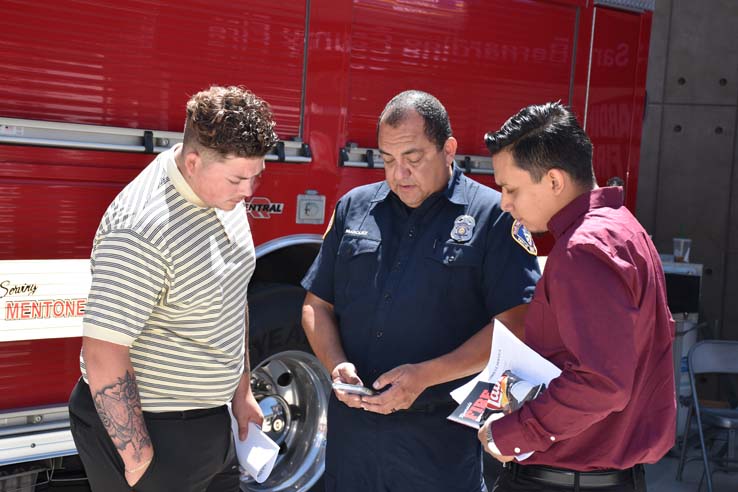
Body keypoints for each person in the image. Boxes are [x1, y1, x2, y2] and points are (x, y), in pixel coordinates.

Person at [301, 90, 541, 492]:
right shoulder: (354, 208)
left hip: (438, 441)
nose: (399, 174)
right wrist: (335, 363)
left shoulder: (494, 217)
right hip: (353, 441)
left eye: (413, 159)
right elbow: (316, 305)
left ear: (448, 149)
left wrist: (425, 377)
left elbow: (518, 321)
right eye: (388, 160)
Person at [68, 85, 279, 491]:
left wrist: (240, 392)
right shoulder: (141, 228)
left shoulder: (220, 196)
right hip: (152, 432)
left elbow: (231, 296)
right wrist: (137, 458)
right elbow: (103, 351)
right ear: (195, 161)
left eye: (256, 176)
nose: (249, 192)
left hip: (212, 423)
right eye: (238, 178)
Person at [479, 102, 675, 492]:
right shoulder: (624, 229)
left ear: (553, 181)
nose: (504, 202)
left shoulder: (582, 248)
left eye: (510, 188)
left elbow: (602, 382)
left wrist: (514, 432)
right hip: (600, 476)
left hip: (565, 479)